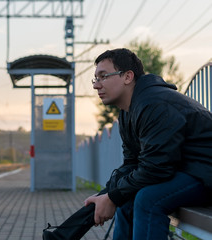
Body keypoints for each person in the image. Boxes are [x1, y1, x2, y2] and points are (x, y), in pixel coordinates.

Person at [43, 48, 212, 240]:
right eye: (95, 79)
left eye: (103, 76)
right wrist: (106, 197)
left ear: (127, 76)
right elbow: (132, 165)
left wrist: (112, 197)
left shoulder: (154, 104)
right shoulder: (128, 112)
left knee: (147, 200)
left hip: (204, 173)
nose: (96, 85)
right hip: (186, 171)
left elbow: (156, 168)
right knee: (126, 198)